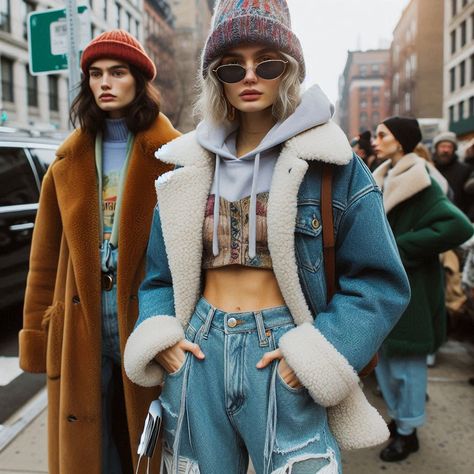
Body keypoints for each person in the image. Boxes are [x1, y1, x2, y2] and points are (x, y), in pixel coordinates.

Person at [124, 2, 410, 473]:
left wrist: (313, 356)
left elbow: (380, 282)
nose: (250, 75)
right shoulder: (189, 166)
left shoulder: (330, 164)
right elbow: (158, 277)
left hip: (283, 351)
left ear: (289, 70)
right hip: (197, 350)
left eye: (268, 62)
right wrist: (164, 341)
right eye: (233, 65)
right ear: (217, 75)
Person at [19, 30, 180, 474]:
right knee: (94, 441)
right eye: (95, 73)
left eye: (117, 72)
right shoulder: (66, 161)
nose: (105, 82)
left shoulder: (174, 155)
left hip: (147, 314)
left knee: (148, 441)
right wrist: (36, 333)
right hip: (81, 319)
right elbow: (45, 257)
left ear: (139, 81)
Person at [372, 117, 473, 463]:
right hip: (388, 285)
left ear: (400, 141)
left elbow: (458, 225)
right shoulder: (385, 175)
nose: (376, 140)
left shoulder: (421, 179)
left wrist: (399, 247)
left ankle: (408, 432)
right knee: (387, 361)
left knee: (408, 365)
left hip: (412, 286)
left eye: (383, 135)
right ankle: (401, 421)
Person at [432, 131, 471, 215]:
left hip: (458, 218)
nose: (446, 150)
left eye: (449, 147)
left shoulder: (465, 170)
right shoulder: (430, 168)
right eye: (443, 146)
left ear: (454, 149)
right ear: (436, 148)